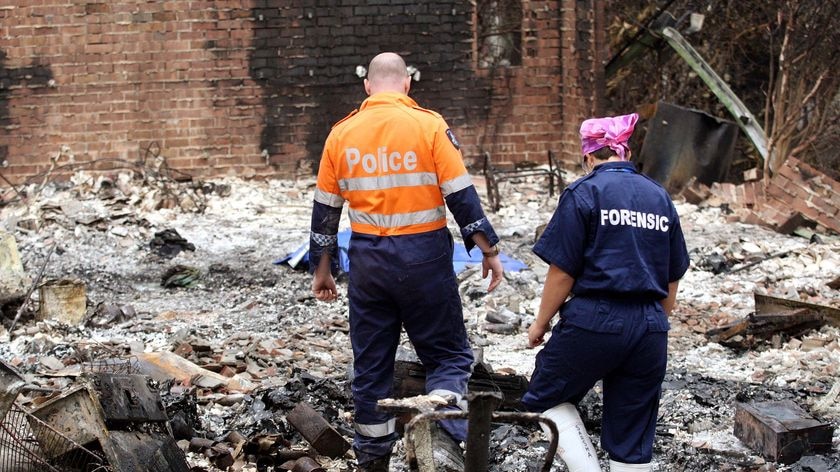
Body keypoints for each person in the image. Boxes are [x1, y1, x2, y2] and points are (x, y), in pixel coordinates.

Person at [309, 52, 504, 471]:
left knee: (371, 365)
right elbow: (461, 196)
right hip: (424, 258)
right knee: (449, 356)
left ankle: (373, 459)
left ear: (367, 86)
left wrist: (322, 268)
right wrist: (488, 251)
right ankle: (445, 442)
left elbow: (325, 209)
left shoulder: (340, 135)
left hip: (368, 261)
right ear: (407, 84)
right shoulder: (429, 126)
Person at [522, 113, 690, 472]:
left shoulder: (585, 192)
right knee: (631, 436)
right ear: (625, 152)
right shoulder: (659, 197)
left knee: (544, 397)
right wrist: (656, 319)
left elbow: (562, 272)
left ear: (589, 157)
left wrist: (540, 324)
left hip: (594, 319)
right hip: (650, 327)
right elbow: (672, 276)